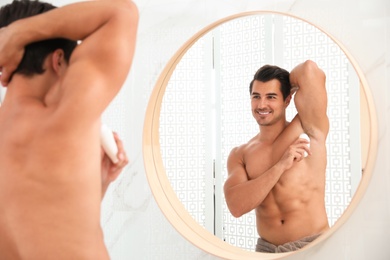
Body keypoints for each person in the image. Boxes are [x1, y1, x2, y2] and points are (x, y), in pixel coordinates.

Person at [0, 0, 138, 259]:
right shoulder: (64, 113)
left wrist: (100, 182)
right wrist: (16, 33)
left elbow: (41, 225)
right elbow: (122, 12)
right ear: (59, 60)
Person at [224, 60, 330, 253]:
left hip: (312, 246)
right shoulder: (241, 153)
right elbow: (236, 206)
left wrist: (288, 84)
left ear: (287, 100)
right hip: (267, 250)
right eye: (256, 96)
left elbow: (309, 70)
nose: (262, 104)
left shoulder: (308, 127)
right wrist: (281, 165)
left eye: (271, 96)